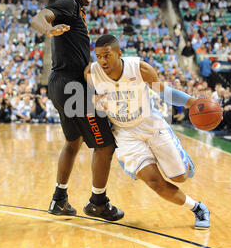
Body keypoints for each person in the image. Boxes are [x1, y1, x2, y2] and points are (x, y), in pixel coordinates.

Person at [84, 34, 210, 229]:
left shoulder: (140, 68)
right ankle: (198, 208)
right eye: (98, 56)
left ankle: (183, 160)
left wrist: (193, 102)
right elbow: (93, 102)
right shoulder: (91, 74)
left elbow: (165, 92)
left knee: (180, 177)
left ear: (119, 53)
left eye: (107, 55)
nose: (102, 61)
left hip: (150, 124)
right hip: (124, 134)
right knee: (155, 182)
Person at [31, 0, 124, 221]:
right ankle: (98, 203)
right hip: (71, 86)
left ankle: (58, 200)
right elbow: (39, 18)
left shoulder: (77, 13)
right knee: (105, 145)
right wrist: (49, 29)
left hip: (61, 84)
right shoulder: (68, 2)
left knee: (73, 143)